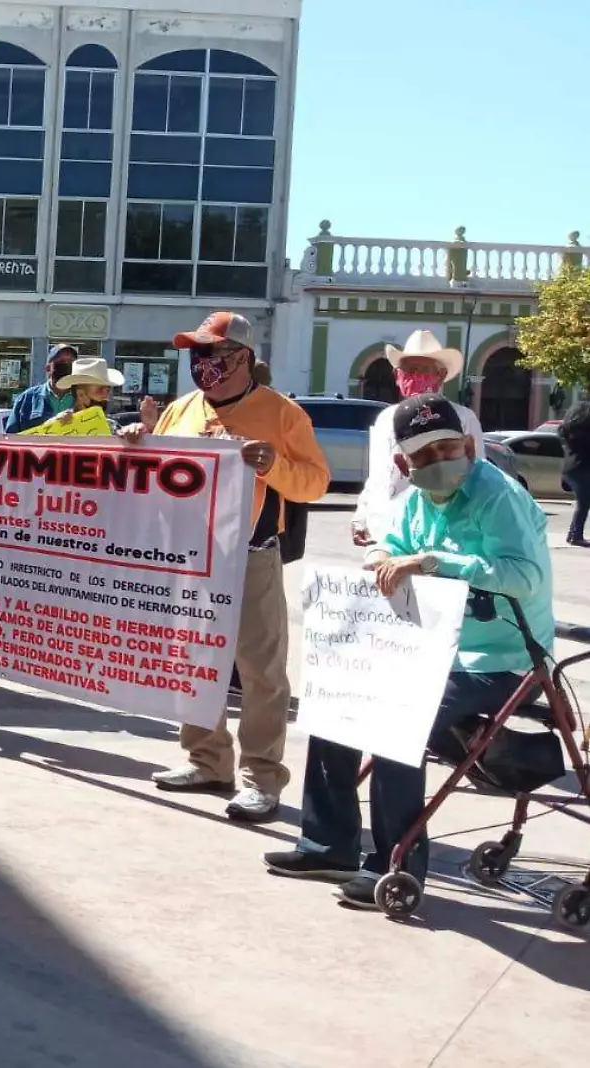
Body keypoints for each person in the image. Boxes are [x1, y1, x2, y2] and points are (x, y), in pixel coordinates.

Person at [265, 394, 555, 909]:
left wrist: (433, 561)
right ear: (404, 462)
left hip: (502, 659)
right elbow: (389, 544)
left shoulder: (498, 494)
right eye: (423, 454)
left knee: (397, 714)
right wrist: (380, 553)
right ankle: (327, 843)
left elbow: (524, 577)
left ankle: (394, 861)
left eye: (447, 448)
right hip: (426, 647)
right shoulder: (416, 499)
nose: (437, 461)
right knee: (338, 700)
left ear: (468, 445)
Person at [120, 311, 329, 822]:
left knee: (261, 672)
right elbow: (159, 472)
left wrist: (272, 465)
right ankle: (207, 759)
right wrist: (137, 443)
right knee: (192, 661)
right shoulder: (182, 409)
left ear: (242, 358)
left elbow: (315, 483)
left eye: (212, 353)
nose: (202, 362)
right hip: (191, 557)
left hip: (251, 555)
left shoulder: (281, 414)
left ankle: (261, 777)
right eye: (197, 352)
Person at [351, 331, 483, 548]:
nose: (414, 376)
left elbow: (476, 474)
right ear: (396, 376)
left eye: (423, 370)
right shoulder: (385, 418)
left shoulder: (462, 418)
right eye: (408, 370)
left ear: (440, 376)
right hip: (383, 532)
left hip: (436, 536)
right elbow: (377, 476)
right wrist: (361, 515)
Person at [8, 345, 78, 432]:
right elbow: (11, 435)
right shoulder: (28, 398)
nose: (67, 365)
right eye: (61, 362)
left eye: (71, 362)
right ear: (48, 368)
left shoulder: (84, 397)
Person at [558, 395, 589, 547]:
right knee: (584, 502)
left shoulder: (572, 423)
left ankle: (573, 535)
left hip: (571, 467)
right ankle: (576, 535)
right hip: (581, 467)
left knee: (583, 501)